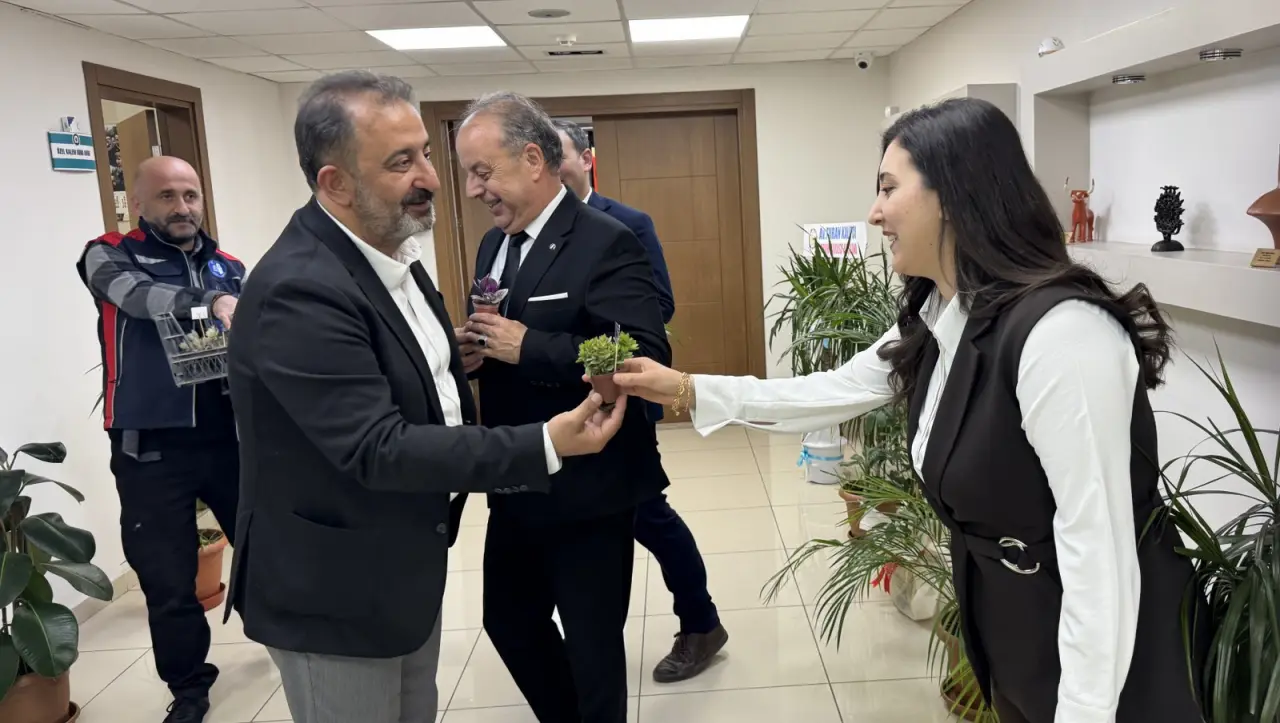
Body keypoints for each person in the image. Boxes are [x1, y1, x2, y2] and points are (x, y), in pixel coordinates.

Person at [610, 97, 1208, 723]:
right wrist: (686, 388)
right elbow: (828, 391)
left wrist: (1084, 710)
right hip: (1015, 638)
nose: (875, 212)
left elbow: (1099, 554)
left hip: (1109, 665)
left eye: (889, 188)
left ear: (953, 193)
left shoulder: (1063, 333)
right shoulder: (942, 315)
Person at [224, 72, 628, 723]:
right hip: (337, 589)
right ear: (336, 183)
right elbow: (376, 445)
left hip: (401, 562)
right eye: (401, 162)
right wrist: (543, 442)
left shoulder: (394, 258)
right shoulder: (301, 288)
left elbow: (401, 375)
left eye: (426, 155)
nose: (434, 180)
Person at [451, 92, 670, 723]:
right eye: (468, 174)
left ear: (531, 159)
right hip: (516, 471)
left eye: (482, 172)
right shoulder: (493, 245)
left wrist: (531, 348)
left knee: (593, 646)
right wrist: (475, 355)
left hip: (589, 485)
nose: (472, 189)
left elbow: (644, 353)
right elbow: (500, 336)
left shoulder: (607, 240)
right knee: (508, 621)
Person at [554, 118, 729, 682]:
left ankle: (700, 622)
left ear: (586, 158)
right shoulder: (524, 235)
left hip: (620, 402)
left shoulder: (627, 223)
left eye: (558, 155)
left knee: (648, 515)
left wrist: (580, 343)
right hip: (557, 415)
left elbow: (659, 306)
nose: (549, 168)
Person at [76, 156, 244, 723]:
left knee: (267, 553)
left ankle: (293, 647)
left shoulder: (229, 267)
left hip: (229, 442)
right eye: (167, 196)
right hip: (149, 448)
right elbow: (138, 298)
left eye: (190, 195)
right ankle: (190, 687)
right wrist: (209, 304)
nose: (182, 207)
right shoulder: (108, 254)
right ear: (139, 204)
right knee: (168, 580)